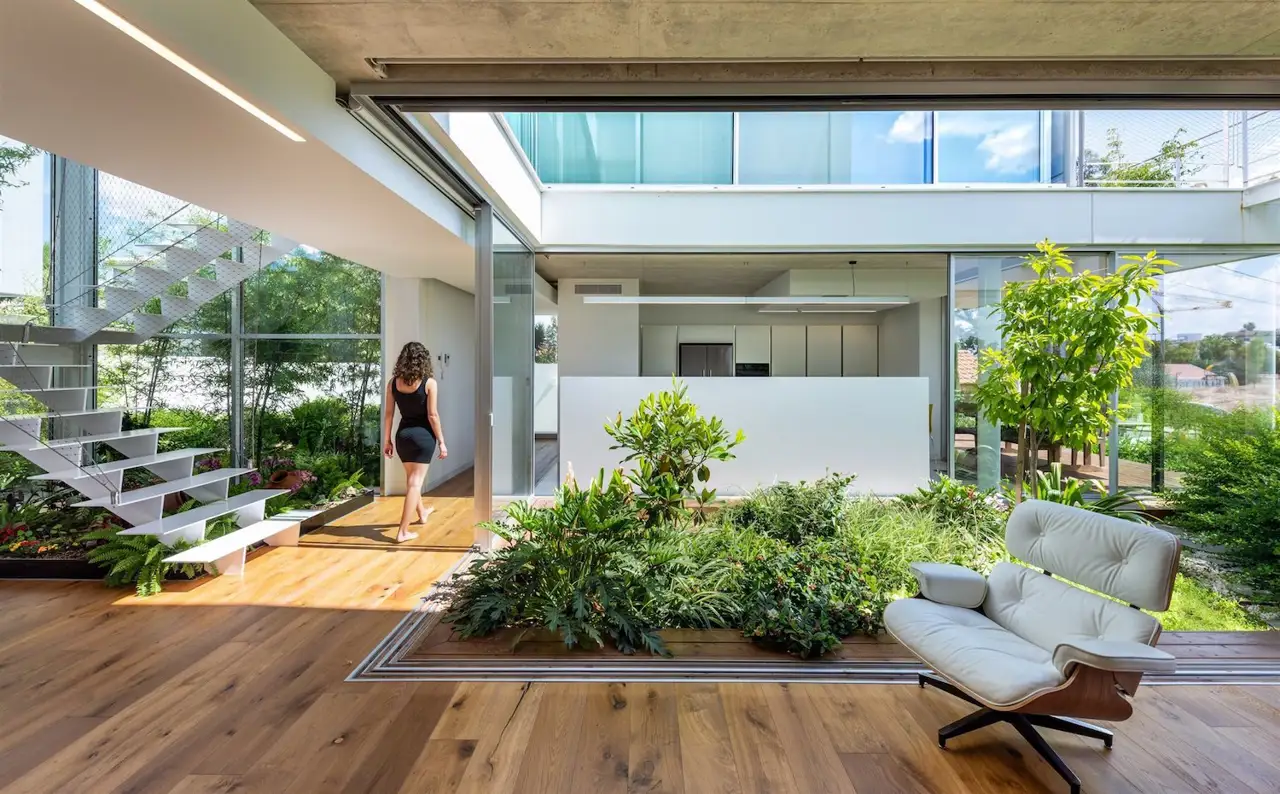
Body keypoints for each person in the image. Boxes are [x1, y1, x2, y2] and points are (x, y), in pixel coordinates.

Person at [383, 342, 448, 543]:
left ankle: (422, 514)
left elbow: (388, 414)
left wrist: (387, 440)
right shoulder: (429, 383)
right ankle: (402, 531)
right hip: (422, 438)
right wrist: (442, 441)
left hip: (402, 436)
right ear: (424, 360)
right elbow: (433, 415)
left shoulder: (393, 383)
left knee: (412, 479)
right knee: (415, 482)